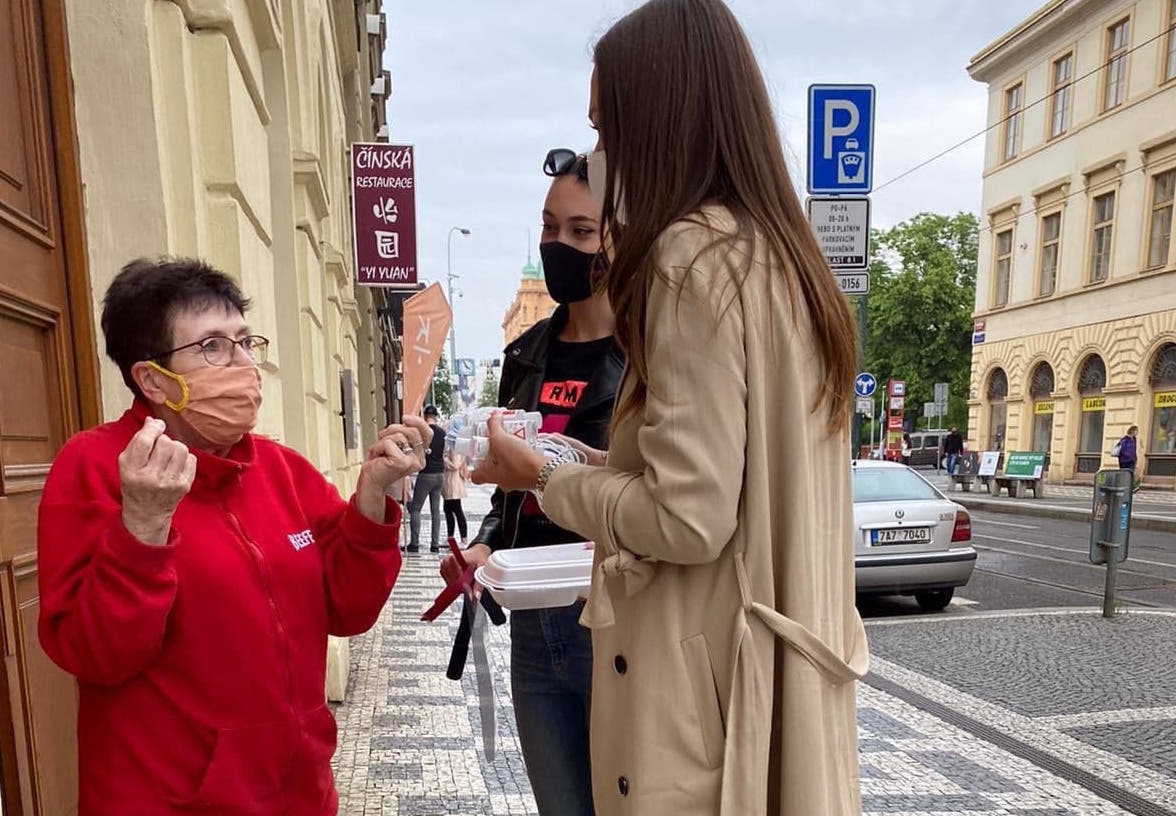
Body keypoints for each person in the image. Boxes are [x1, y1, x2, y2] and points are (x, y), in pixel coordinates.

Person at [471, 2, 869, 813]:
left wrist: (543, 478)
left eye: (605, 129)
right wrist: (579, 460)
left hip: (706, 700)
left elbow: (689, 516)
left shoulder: (689, 259)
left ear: (654, 123)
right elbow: (720, 473)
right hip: (772, 675)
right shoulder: (778, 255)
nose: (598, 156)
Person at [37, 258, 426, 814]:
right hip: (168, 801)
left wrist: (372, 493)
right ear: (151, 379)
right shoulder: (96, 467)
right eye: (213, 347)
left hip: (300, 793)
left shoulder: (280, 469)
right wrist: (142, 527)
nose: (244, 364)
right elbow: (92, 653)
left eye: (246, 342)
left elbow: (347, 609)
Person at [440, 147, 623, 816]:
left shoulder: (652, 356)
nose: (559, 245)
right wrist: (488, 542)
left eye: (580, 230)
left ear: (618, 240)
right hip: (532, 618)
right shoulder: (527, 355)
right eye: (549, 227)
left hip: (613, 616)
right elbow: (513, 482)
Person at [408, 405, 446, 553]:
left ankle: (414, 543)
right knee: (435, 511)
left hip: (426, 473)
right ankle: (434, 545)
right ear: (435, 416)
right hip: (440, 474)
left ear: (425, 416)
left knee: (416, 509)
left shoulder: (422, 432)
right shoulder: (443, 433)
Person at [443, 444, 470, 544]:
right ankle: (451, 537)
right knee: (448, 510)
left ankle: (463, 538)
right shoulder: (452, 448)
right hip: (450, 483)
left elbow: (455, 465)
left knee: (457, 510)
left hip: (454, 483)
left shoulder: (456, 449)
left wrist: (444, 459)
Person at [1115, 425, 1140, 491]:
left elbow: (1134, 450)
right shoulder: (1125, 440)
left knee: (1131, 473)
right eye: (1136, 431)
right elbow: (1122, 450)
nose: (1137, 432)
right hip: (1124, 461)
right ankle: (1122, 486)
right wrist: (1128, 456)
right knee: (1125, 474)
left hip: (1132, 460)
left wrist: (1135, 458)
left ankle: (1131, 487)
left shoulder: (1134, 439)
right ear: (1132, 431)